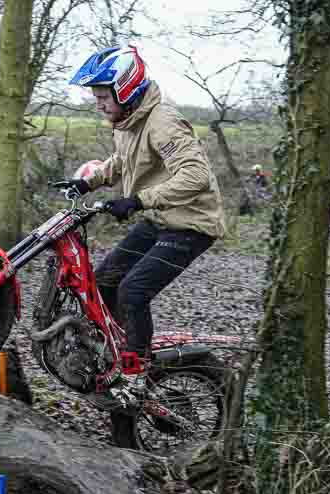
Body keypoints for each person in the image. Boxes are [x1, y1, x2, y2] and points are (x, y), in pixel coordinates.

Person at [66, 44, 227, 410]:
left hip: (192, 224)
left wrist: (138, 200)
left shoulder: (162, 122)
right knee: (104, 279)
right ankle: (121, 349)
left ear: (126, 89)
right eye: (96, 96)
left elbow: (196, 176)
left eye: (103, 96)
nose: (98, 103)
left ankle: (138, 373)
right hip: (160, 219)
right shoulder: (127, 122)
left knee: (132, 291)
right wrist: (88, 182)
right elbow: (122, 161)